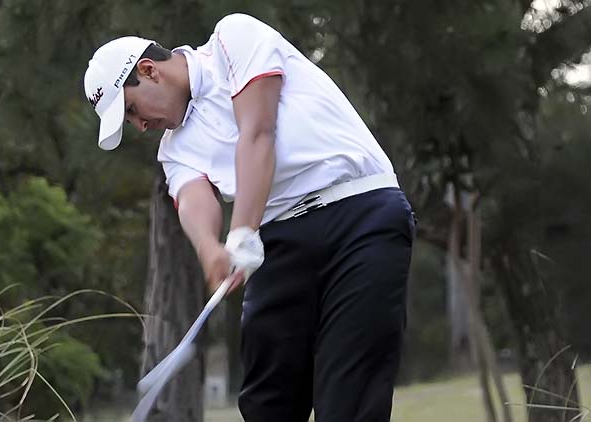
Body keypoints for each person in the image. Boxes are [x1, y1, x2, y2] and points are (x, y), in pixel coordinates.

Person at [84, 13, 415, 422]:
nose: (140, 126)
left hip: (361, 215)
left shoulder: (233, 39)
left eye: (132, 110)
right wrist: (210, 250)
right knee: (266, 402)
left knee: (348, 399)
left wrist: (241, 230)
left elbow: (258, 132)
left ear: (149, 71)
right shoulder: (173, 149)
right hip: (279, 240)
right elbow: (192, 198)